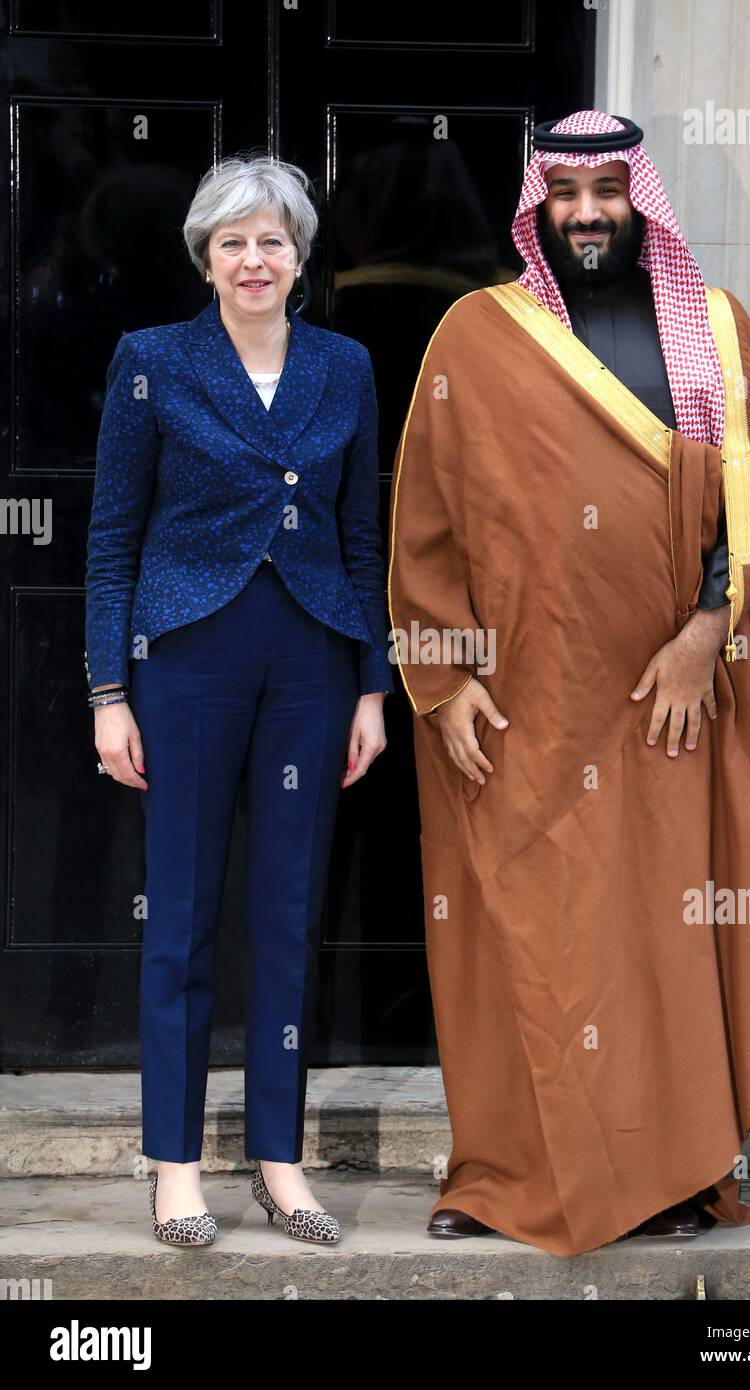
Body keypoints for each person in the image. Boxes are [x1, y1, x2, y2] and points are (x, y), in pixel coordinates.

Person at [387, 109, 750, 1256]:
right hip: (522, 704)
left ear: (644, 201)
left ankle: (675, 1173)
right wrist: (442, 679)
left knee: (661, 940)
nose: (589, 211)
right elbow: (425, 527)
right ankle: (497, 1175)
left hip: (673, 703)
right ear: (540, 206)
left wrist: (700, 637)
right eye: (567, 193)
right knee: (519, 937)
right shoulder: (474, 338)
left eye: (609, 190)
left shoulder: (718, 337)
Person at [85, 153, 393, 1246]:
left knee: (286, 916)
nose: (253, 259)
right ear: (205, 258)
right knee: (179, 918)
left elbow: (363, 534)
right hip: (189, 659)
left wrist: (372, 684)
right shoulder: (150, 362)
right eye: (233, 242)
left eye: (272, 240)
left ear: (300, 256)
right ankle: (174, 1165)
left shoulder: (345, 364)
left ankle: (279, 1158)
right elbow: (113, 534)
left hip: (311, 657)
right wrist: (108, 690)